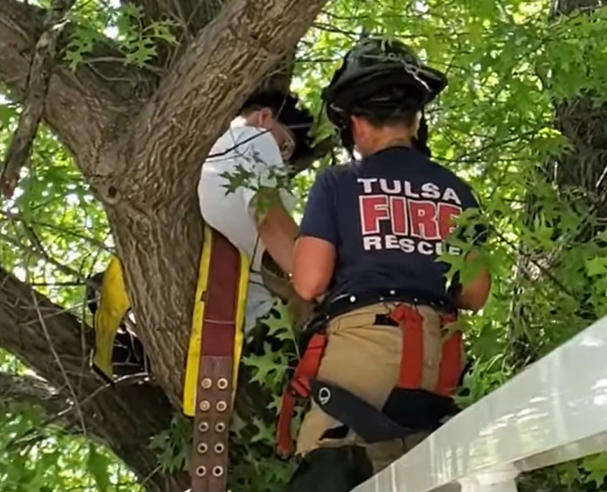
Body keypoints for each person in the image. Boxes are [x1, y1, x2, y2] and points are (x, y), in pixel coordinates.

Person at [280, 38, 491, 490]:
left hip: (363, 351)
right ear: (415, 120)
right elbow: (474, 294)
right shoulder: (456, 191)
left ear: (355, 123)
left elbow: (310, 280)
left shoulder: (340, 181)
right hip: (438, 358)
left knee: (334, 469)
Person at [198, 89, 316, 332]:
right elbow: (269, 219)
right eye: (284, 147)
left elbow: (250, 270)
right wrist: (322, 286)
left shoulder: (216, 155)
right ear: (264, 118)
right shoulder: (253, 138)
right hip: (243, 326)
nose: (281, 162)